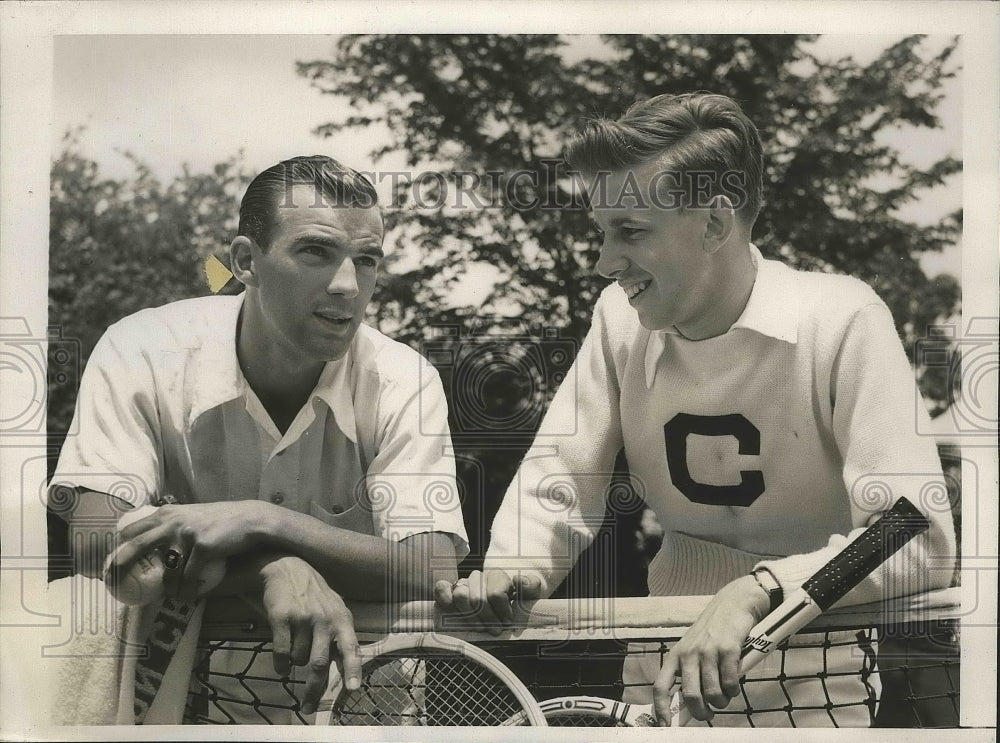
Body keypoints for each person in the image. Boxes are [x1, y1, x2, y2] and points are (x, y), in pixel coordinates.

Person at [435, 93, 956, 726]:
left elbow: (915, 532)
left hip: (818, 677)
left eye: (630, 232)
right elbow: (562, 481)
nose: (604, 261)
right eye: (602, 231)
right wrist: (512, 567)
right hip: (659, 656)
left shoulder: (845, 319)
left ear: (714, 224)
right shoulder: (616, 321)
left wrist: (757, 592)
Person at [49, 155, 469, 723]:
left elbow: (430, 565)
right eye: (316, 252)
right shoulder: (141, 349)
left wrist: (264, 521)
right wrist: (270, 566)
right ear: (245, 261)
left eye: (366, 260)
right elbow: (97, 536)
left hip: (359, 708)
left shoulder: (403, 377)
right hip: (176, 710)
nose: (348, 285)